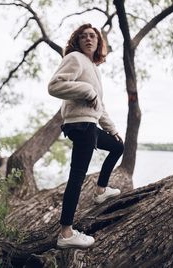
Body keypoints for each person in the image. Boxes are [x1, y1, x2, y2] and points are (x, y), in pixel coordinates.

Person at [48, 23, 124, 249]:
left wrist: (112, 129)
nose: (88, 39)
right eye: (83, 36)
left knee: (118, 146)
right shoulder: (75, 58)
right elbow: (54, 86)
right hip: (79, 125)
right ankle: (66, 234)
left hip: (90, 124)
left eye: (93, 36)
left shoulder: (93, 67)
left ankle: (101, 190)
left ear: (99, 42)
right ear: (77, 41)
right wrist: (87, 91)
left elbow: (99, 106)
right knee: (77, 178)